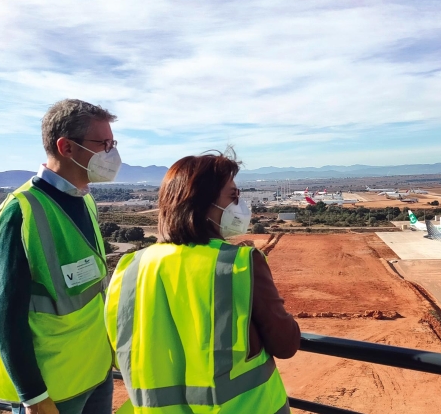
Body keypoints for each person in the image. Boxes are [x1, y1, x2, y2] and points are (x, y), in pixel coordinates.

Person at [106, 149, 299, 413]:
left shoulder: (130, 267)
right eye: (233, 196)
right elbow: (286, 344)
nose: (239, 205)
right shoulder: (238, 263)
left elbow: (120, 350)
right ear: (204, 204)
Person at [0, 99, 121, 414]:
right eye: (104, 144)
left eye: (113, 143)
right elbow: (6, 318)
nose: (111, 154)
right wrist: (34, 397)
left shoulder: (85, 201)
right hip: (53, 393)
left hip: (95, 372)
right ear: (66, 147)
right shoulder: (20, 212)